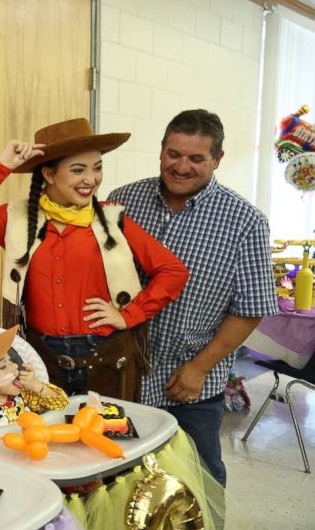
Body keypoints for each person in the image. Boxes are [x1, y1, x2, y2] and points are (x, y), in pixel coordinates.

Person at [0, 118, 189, 402]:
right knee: (48, 441)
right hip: (42, 359)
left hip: (108, 359)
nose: (91, 179)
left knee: (108, 440)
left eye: (97, 168)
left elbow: (173, 271)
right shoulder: (16, 218)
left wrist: (129, 315)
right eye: (78, 170)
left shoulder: (113, 219)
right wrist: (2, 167)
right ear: (49, 175)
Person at [107, 109, 278, 486]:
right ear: (161, 151)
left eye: (196, 158)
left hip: (189, 383)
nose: (181, 167)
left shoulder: (244, 221)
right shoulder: (122, 202)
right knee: (121, 478)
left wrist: (199, 368)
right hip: (124, 374)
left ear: (217, 159)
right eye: (174, 154)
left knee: (198, 480)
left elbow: (250, 310)